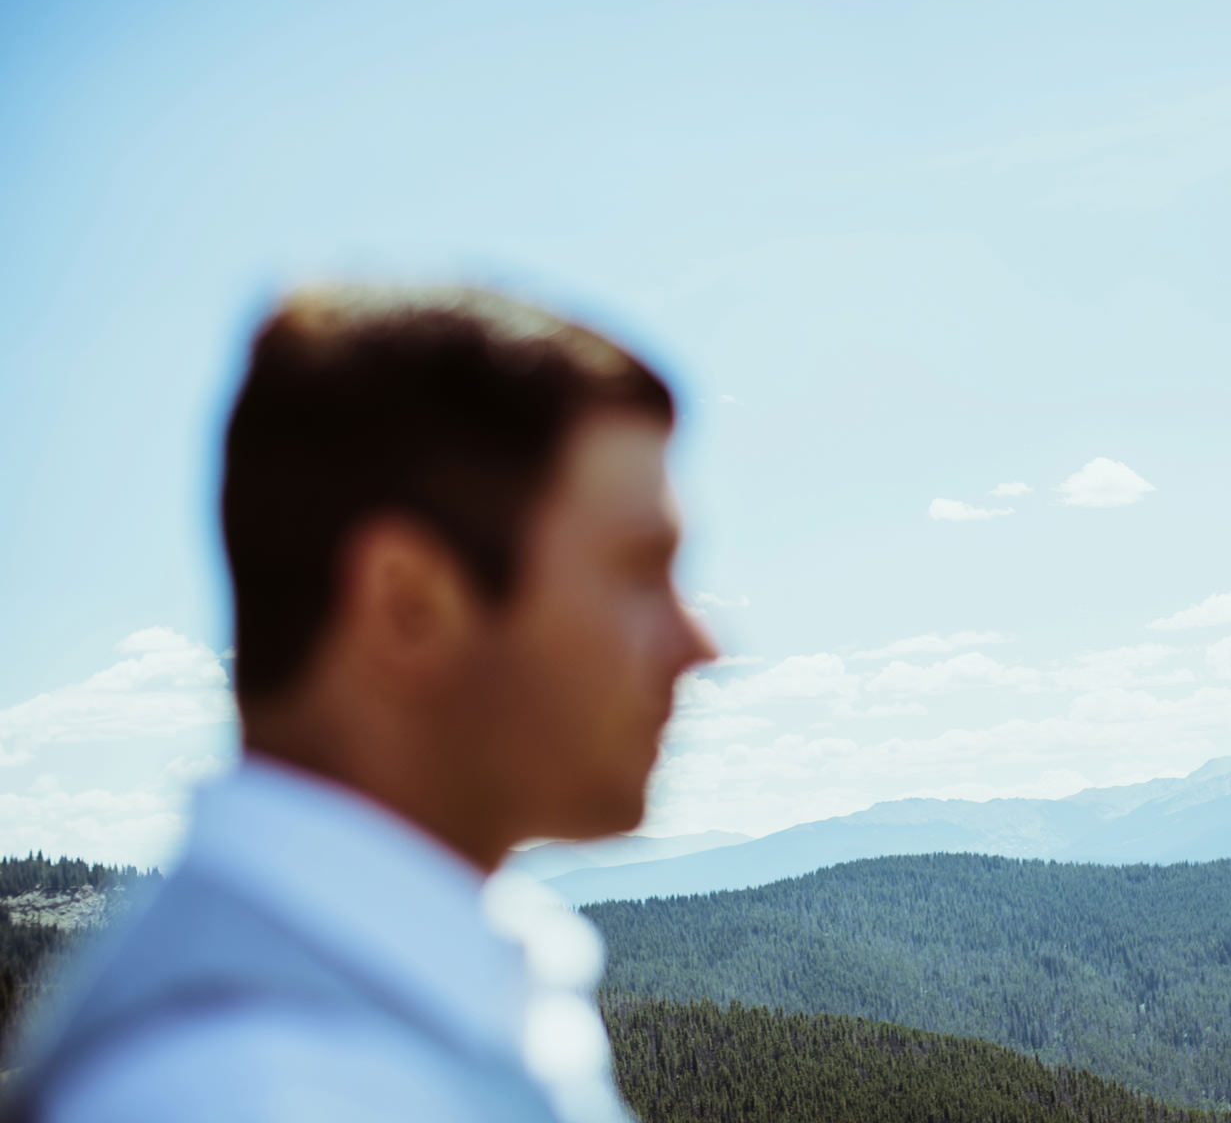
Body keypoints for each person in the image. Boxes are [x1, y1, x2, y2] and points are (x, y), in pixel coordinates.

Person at [2, 285, 718, 1121]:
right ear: (406, 605)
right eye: (639, 570)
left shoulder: (383, 1015)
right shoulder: (255, 1086)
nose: (700, 643)